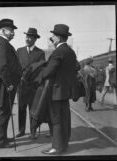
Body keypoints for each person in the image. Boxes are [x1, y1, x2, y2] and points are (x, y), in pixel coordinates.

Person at [38, 24, 77, 155]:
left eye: (53, 36)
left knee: (56, 120)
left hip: (56, 91)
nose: (51, 38)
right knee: (64, 118)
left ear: (59, 38)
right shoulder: (70, 52)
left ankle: (57, 148)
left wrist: (38, 75)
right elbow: (75, 68)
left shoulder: (58, 52)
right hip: (65, 91)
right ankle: (64, 145)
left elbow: (49, 71)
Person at [0, 18, 22, 148]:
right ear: (3, 30)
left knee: (6, 112)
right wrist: (9, 84)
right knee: (3, 112)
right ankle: (0, 142)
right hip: (4, 85)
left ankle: (3, 138)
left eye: (13, 31)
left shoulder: (3, 43)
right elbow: (2, 66)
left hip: (5, 84)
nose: (13, 33)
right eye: (11, 30)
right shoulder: (2, 43)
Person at [16, 27, 45, 139]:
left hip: (33, 87)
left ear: (35, 39)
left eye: (30, 37)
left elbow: (40, 70)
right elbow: (16, 68)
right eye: (26, 36)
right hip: (21, 86)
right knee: (21, 108)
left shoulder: (40, 53)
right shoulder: (19, 51)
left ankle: (33, 131)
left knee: (33, 109)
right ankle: (21, 130)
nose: (27, 39)